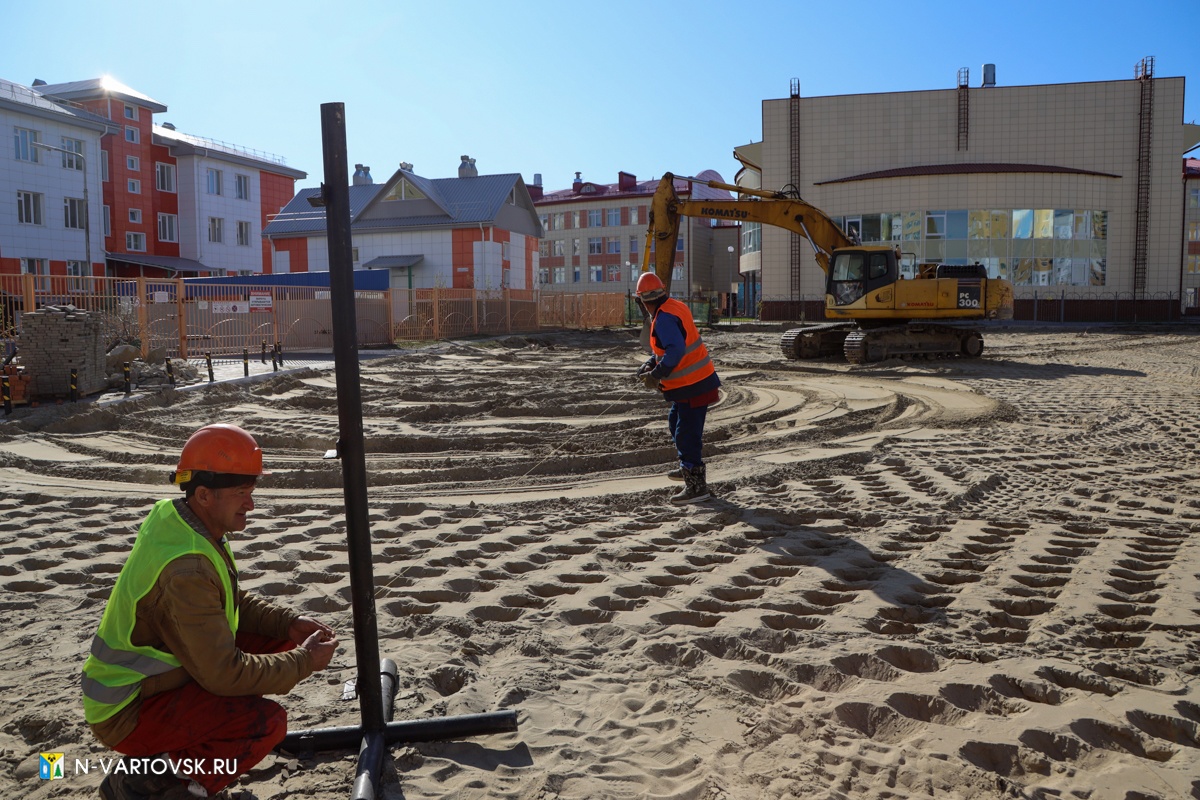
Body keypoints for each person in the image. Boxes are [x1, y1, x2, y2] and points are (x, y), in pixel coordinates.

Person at [81, 423, 339, 800]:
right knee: (263, 724)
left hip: (156, 682)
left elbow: (226, 600)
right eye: (241, 494)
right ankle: (148, 783)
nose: (250, 504)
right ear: (203, 494)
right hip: (127, 711)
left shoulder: (182, 520)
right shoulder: (186, 567)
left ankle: (164, 762)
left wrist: (287, 623)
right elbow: (224, 676)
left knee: (278, 639)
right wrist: (305, 661)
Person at [634, 272, 721, 504]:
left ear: (643, 301)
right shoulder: (674, 307)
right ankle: (687, 466)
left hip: (694, 386)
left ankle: (696, 487)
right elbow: (666, 348)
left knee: (686, 435)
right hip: (692, 384)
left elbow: (675, 351)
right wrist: (651, 362)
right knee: (675, 423)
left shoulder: (663, 319)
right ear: (662, 292)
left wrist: (656, 375)